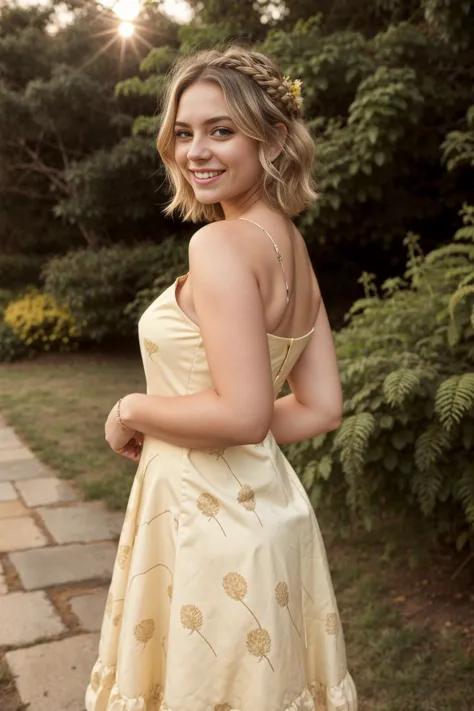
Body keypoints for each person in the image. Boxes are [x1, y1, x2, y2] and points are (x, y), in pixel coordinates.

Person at [85, 45, 357, 711]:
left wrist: (133, 410)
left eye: (221, 129)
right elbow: (319, 407)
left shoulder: (219, 245)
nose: (195, 151)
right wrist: (232, 429)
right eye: (184, 132)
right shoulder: (289, 245)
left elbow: (241, 414)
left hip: (211, 540)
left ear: (275, 137)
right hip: (273, 522)